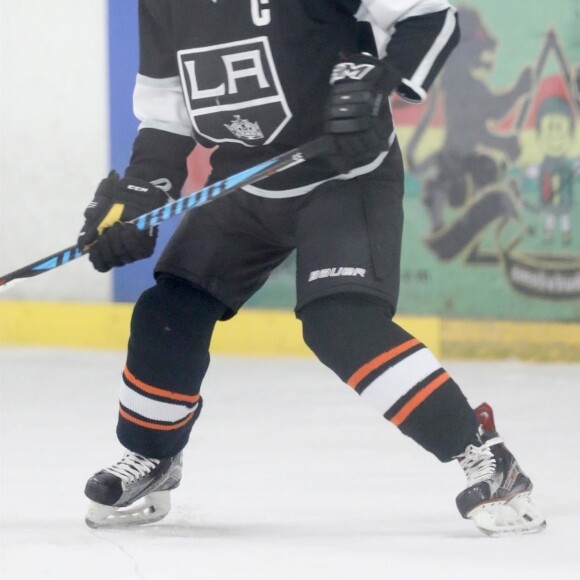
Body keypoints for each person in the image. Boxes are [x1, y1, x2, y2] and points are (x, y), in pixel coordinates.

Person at [79, 0, 546, 536]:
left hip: (346, 175)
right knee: (170, 308)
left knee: (340, 324)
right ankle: (152, 456)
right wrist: (142, 191)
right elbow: (167, 110)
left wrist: (378, 79)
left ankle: (482, 453)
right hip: (247, 180)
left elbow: (431, 14)